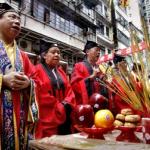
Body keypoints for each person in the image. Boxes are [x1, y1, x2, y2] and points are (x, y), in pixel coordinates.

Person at [0, 3, 39, 150]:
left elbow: (37, 81)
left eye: (19, 20)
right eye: (12, 17)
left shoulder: (23, 56)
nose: (17, 21)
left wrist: (29, 83)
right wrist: (2, 80)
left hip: (19, 118)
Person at [35, 39, 76, 139]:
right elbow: (40, 94)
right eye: (53, 52)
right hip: (49, 117)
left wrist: (66, 103)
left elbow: (69, 90)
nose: (57, 55)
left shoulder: (61, 72)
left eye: (58, 52)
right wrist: (60, 107)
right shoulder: (37, 70)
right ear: (44, 56)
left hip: (65, 114)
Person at [71, 40, 109, 105]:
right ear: (87, 52)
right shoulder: (79, 66)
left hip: (100, 104)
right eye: (96, 50)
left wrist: (104, 81)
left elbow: (103, 87)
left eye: (99, 51)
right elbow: (75, 86)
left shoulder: (99, 68)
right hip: (86, 105)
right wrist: (91, 77)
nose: (99, 52)